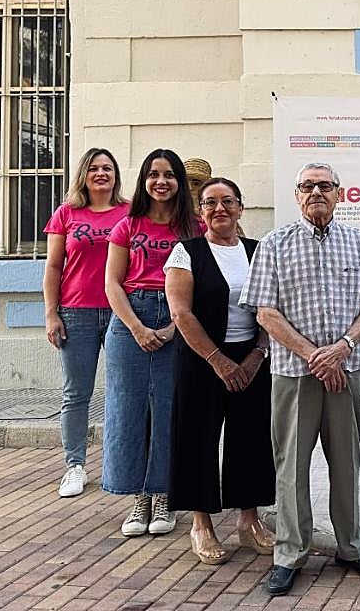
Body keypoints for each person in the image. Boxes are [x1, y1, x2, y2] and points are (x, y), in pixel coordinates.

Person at [240, 162, 360, 596]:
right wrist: (315, 356)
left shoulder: (359, 241)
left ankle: (351, 546)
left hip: (347, 370)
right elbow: (265, 312)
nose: (316, 192)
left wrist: (342, 347)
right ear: (297, 195)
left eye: (325, 185)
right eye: (307, 186)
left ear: (339, 193)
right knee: (291, 466)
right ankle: (290, 553)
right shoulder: (274, 244)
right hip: (294, 374)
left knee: (346, 461)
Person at [165, 177, 275, 565]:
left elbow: (272, 307)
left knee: (252, 438)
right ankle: (201, 524)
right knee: (197, 438)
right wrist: (218, 360)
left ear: (240, 207)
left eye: (227, 201)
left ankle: (249, 520)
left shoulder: (258, 251)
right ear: (201, 212)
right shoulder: (186, 252)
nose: (219, 209)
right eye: (210, 203)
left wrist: (257, 353)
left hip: (251, 358)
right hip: (201, 359)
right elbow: (181, 313)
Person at [103, 148, 202, 538]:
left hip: (178, 317)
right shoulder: (127, 226)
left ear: (180, 182)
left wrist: (177, 326)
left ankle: (163, 494)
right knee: (128, 411)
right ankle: (138, 497)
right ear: (144, 180)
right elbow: (112, 283)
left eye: (169, 175)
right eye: (154, 174)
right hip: (131, 318)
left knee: (168, 410)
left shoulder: (194, 227)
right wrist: (137, 328)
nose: (161, 182)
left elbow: (202, 284)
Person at [42, 148, 129, 498]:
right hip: (75, 312)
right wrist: (51, 313)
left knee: (126, 391)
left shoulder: (130, 212)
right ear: (84, 174)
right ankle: (75, 465)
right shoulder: (67, 213)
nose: (101, 173)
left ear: (115, 175)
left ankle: (122, 463)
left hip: (122, 311)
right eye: (94, 168)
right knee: (76, 393)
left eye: (107, 168)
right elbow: (53, 267)